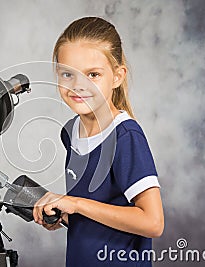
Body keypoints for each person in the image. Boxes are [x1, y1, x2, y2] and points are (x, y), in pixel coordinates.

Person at [33, 17, 164, 267]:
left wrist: (76, 203)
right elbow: (100, 216)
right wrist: (63, 213)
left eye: (93, 74)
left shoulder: (125, 136)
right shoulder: (70, 132)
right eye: (67, 74)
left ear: (117, 76)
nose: (79, 86)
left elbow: (153, 223)